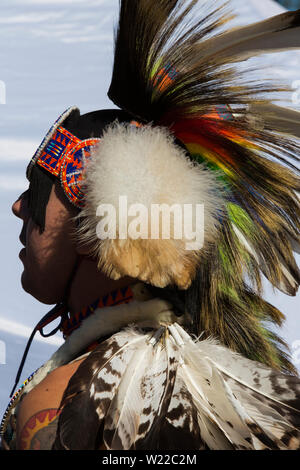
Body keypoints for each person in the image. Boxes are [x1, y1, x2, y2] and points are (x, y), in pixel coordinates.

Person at [1, 0, 300, 450]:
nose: (20, 209)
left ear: (96, 221)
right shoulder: (212, 380)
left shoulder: (61, 407)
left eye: (39, 190)